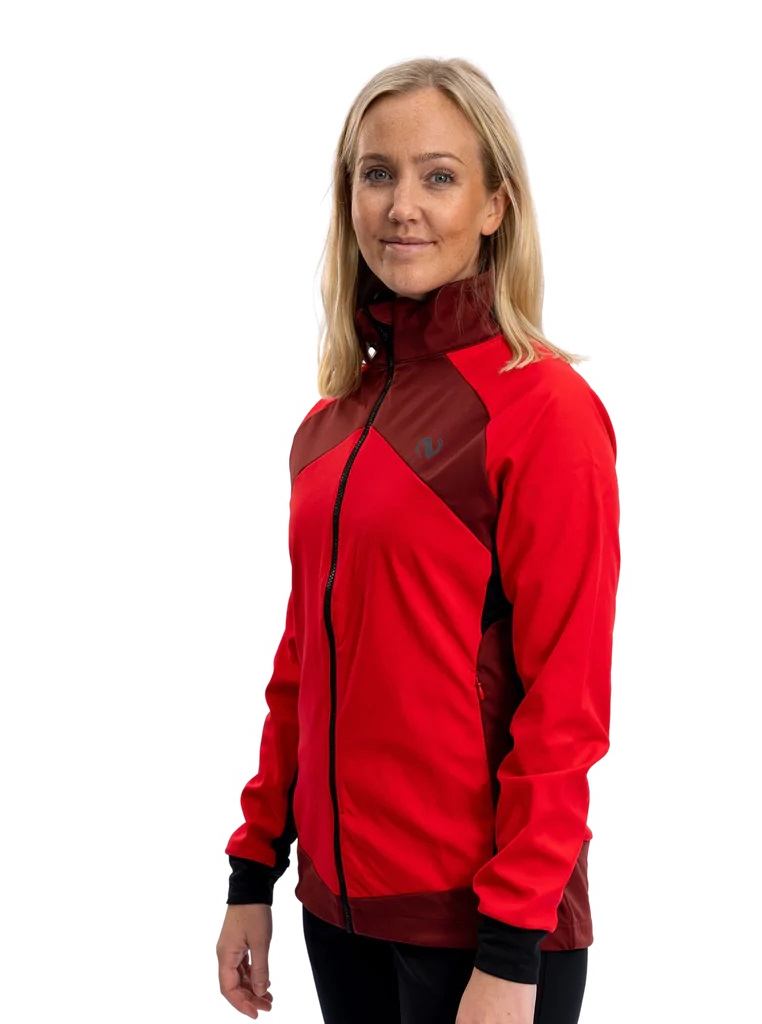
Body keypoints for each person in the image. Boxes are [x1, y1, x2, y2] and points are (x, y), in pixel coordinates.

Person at [216, 56, 621, 1024]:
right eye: (377, 173)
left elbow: (565, 705)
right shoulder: (330, 426)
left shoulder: (543, 410)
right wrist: (252, 871)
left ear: (494, 206)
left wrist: (511, 948)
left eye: (439, 176)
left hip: (478, 927)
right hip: (337, 911)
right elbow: (302, 666)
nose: (403, 206)